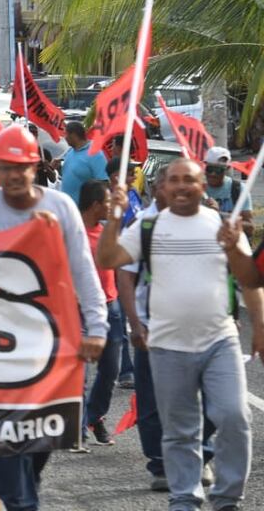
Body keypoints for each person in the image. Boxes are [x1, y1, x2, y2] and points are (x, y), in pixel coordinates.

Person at [99, 159, 260, 511]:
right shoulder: (148, 227)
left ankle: (227, 499)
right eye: (175, 180)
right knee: (179, 428)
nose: (182, 186)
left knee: (234, 416)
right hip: (167, 344)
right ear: (162, 187)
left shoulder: (223, 225)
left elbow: (251, 279)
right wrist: (114, 217)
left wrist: (234, 248)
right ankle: (184, 498)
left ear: (203, 186)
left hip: (220, 340)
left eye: (190, 179)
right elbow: (109, 258)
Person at [0, 126, 108, 511]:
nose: (13, 175)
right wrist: (29, 237)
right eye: (5, 167)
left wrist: (97, 327)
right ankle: (17, 499)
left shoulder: (61, 207)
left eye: (21, 167)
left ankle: (25, 486)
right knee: (5, 441)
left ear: (35, 167)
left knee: (42, 436)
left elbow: (83, 270)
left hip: (51, 341)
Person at [77, 179, 121, 449]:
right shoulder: (72, 233)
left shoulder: (107, 231)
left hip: (111, 307)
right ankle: (78, 428)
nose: (110, 206)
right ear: (95, 205)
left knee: (111, 370)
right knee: (79, 374)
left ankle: (94, 417)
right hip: (79, 309)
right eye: (107, 202)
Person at [203, 147, 254, 237]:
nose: (213, 174)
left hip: (230, 243)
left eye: (218, 170)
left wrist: (220, 215)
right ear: (205, 166)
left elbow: (250, 228)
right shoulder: (197, 189)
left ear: (227, 168)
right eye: (210, 169)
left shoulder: (238, 189)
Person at [58, 121, 107, 206]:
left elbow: (104, 183)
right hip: (67, 207)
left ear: (73, 135)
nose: (64, 138)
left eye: (66, 134)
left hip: (84, 210)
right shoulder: (70, 152)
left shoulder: (95, 153)